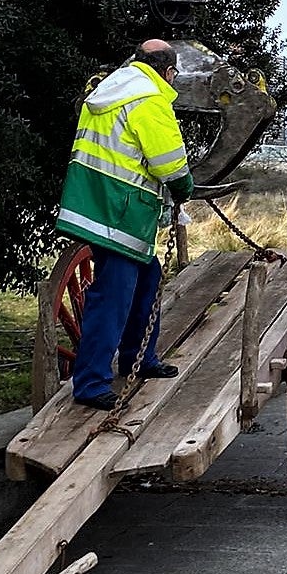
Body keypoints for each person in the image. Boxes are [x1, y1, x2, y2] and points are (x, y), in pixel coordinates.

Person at [56, 39, 195, 409]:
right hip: (121, 213)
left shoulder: (109, 90)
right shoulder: (150, 98)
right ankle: (90, 384)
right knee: (112, 298)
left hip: (94, 202)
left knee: (148, 275)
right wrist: (185, 187)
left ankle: (140, 358)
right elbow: (169, 163)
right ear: (169, 72)